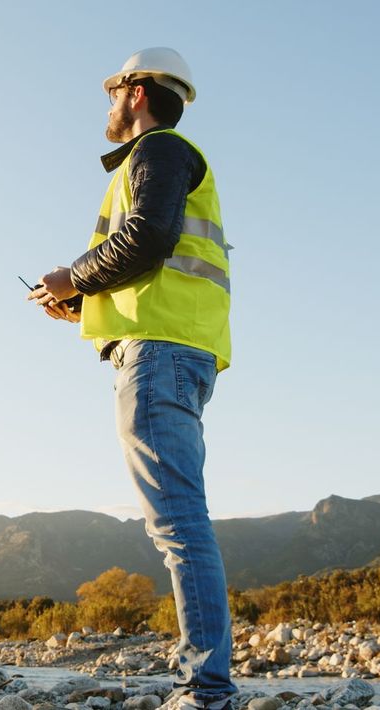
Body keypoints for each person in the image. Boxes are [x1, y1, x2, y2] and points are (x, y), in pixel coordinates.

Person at [27, 47, 234, 710]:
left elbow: (147, 236)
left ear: (137, 92)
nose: (108, 105)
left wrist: (71, 276)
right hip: (175, 350)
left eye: (113, 91)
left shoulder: (160, 152)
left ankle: (206, 691)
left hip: (161, 354)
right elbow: (149, 260)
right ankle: (206, 687)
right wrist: (82, 305)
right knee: (180, 520)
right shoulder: (163, 157)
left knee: (178, 523)